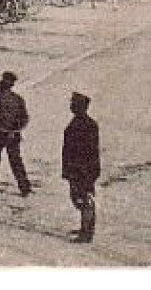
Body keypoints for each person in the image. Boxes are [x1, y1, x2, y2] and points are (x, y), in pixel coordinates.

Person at [0, 71, 32, 199]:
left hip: (5, 135)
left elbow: (24, 118)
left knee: (6, 162)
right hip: (1, 135)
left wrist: (14, 130)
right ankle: (22, 188)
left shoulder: (14, 98)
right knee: (2, 163)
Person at [62, 91, 101, 243]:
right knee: (80, 199)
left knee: (84, 200)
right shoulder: (80, 122)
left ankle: (87, 233)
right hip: (78, 169)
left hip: (82, 169)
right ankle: (85, 227)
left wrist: (82, 170)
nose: (71, 105)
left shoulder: (86, 124)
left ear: (80, 106)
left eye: (74, 103)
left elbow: (89, 150)